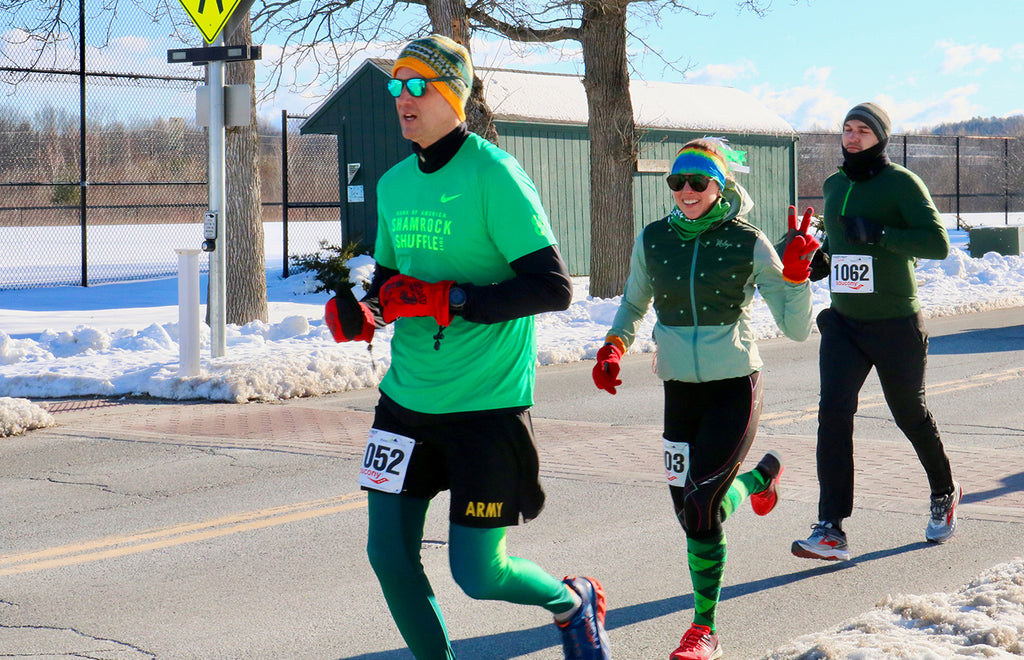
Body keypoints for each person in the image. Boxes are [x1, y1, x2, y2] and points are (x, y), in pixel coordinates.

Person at [323, 35, 612, 660]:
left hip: (485, 408)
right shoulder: (397, 183)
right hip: (404, 404)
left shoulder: (494, 175)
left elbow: (553, 288)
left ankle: (573, 602)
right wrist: (365, 305)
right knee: (388, 558)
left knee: (479, 576)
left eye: (418, 85)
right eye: (395, 85)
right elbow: (392, 281)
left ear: (453, 95)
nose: (403, 98)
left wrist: (453, 300)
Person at [592, 138, 816, 660]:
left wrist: (799, 276)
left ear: (721, 186)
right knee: (691, 511)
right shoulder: (653, 239)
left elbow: (798, 328)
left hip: (735, 387)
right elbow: (633, 301)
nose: (686, 192)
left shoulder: (748, 240)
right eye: (677, 182)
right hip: (679, 392)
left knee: (700, 504)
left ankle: (704, 630)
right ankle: (760, 479)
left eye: (698, 182)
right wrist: (612, 345)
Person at [792, 102, 962, 562]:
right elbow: (837, 245)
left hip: (895, 322)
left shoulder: (902, 183)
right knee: (833, 415)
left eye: (862, 130)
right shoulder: (834, 184)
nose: (851, 137)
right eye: (846, 129)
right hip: (845, 323)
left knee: (909, 412)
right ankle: (831, 527)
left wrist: (882, 233)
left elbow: (938, 244)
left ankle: (944, 490)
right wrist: (816, 259)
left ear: (880, 137)